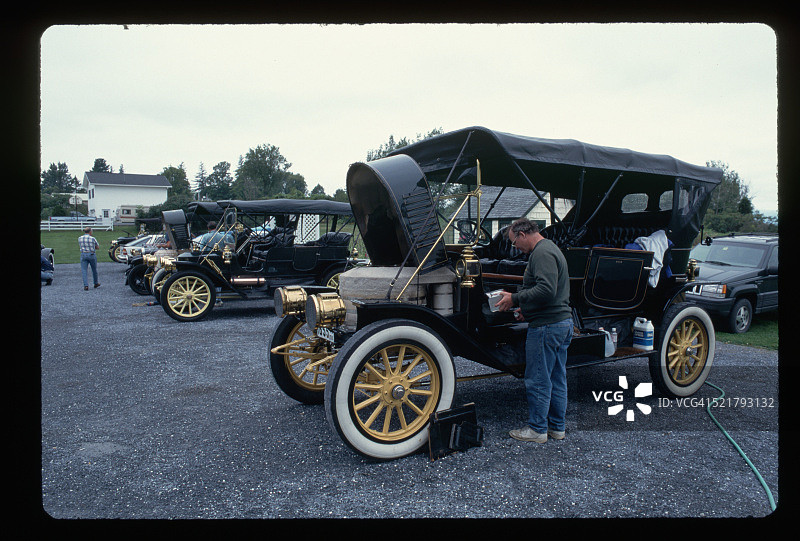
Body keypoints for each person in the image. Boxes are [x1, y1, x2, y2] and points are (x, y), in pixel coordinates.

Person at [494, 217, 573, 443]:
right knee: (557, 377)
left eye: (513, 242)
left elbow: (546, 290)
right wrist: (526, 309)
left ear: (522, 235)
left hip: (547, 327)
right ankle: (557, 428)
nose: (514, 247)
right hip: (559, 323)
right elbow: (551, 293)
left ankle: (537, 430)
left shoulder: (542, 253)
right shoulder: (549, 249)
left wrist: (514, 298)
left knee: (538, 379)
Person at [78, 226, 100, 291]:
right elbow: (97, 247)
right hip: (91, 254)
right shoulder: (92, 238)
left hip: (83, 254)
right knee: (94, 269)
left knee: (84, 270)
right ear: (90, 232)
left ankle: (86, 285)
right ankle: (95, 283)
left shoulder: (79, 238)